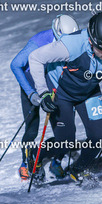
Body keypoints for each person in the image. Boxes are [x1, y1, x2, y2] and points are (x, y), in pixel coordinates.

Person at [28, 12, 102, 181]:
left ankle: (77, 170)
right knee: (65, 141)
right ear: (92, 41)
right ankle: (35, 155)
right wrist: (43, 92)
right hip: (62, 93)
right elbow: (35, 58)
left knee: (99, 139)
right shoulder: (72, 45)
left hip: (90, 91)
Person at [10, 15, 79, 180]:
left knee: (65, 131)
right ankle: (26, 162)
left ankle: (56, 161)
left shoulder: (74, 40)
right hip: (31, 84)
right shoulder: (39, 41)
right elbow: (15, 64)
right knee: (32, 128)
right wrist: (30, 93)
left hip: (53, 85)